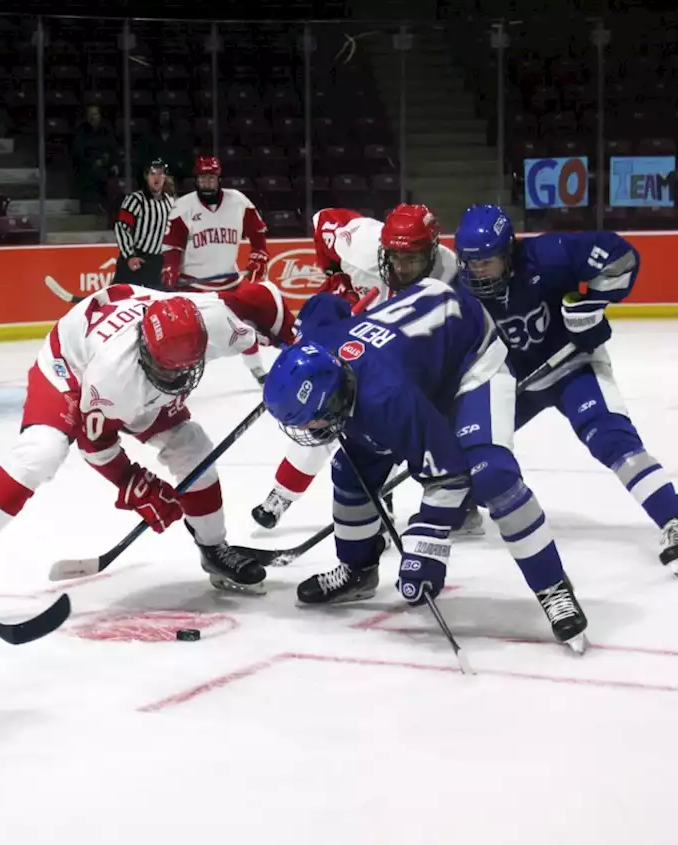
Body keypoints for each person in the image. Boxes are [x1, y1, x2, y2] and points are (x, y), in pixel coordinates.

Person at [262, 273, 589, 652]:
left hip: (471, 352)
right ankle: (358, 571)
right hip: (412, 351)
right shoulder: (320, 351)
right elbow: (325, 307)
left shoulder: (387, 398)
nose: (306, 429)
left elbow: (448, 477)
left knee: (492, 475)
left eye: (309, 419)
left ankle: (553, 587)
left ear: (333, 398)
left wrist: (426, 546)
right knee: (352, 471)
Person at [0, 279, 298, 600]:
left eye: (187, 370)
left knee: (193, 447)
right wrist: (133, 483)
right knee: (40, 453)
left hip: (123, 359)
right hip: (69, 366)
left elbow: (268, 303)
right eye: (170, 372)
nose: (179, 382)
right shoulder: (115, 377)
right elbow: (95, 444)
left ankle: (213, 548)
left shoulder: (210, 320)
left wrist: (304, 347)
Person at [455, 204, 678, 568]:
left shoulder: (549, 254)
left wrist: (594, 303)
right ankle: (463, 509)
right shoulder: (459, 291)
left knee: (611, 438)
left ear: (509, 252)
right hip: (512, 383)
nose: (477, 271)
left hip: (570, 365)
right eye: (471, 262)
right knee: (468, 447)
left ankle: (673, 516)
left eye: (487, 262)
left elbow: (621, 256)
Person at [250, 204, 483, 539]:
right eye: (394, 256)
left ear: (431, 251)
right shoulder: (361, 246)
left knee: (414, 425)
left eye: (413, 258)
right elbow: (324, 220)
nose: (401, 267)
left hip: (420, 360)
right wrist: (336, 275)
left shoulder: (455, 278)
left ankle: (456, 494)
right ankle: (282, 493)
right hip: (364, 345)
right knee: (323, 410)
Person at [161, 155, 271, 383]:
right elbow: (172, 244)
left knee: (242, 329)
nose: (207, 183)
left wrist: (259, 254)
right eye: (202, 179)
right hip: (194, 285)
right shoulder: (184, 206)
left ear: (218, 179)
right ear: (196, 180)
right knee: (185, 334)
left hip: (230, 283)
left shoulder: (238, 201)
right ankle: (176, 375)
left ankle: (258, 370)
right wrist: (170, 267)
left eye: (211, 178)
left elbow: (257, 232)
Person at [112, 159, 174, 290]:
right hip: (135, 259)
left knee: (152, 304)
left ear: (165, 176)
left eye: (160, 173)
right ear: (146, 176)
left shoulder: (170, 202)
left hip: (155, 262)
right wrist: (129, 256)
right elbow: (121, 228)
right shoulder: (135, 200)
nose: (156, 178)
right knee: (122, 301)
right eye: (153, 174)